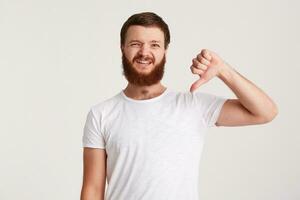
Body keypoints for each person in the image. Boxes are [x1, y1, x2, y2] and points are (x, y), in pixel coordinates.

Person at [80, 12, 278, 200]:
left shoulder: (193, 106)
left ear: (165, 51)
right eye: (135, 43)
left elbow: (265, 112)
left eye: (154, 45)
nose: (144, 52)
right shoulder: (101, 114)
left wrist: (223, 71)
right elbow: (93, 188)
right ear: (122, 47)